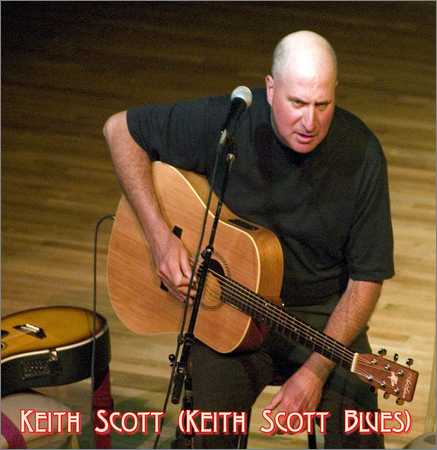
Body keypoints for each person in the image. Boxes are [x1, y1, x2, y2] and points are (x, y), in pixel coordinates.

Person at [103, 30, 394, 449]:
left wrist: (315, 372)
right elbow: (119, 130)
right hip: (227, 308)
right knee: (209, 429)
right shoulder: (231, 122)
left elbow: (366, 279)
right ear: (271, 90)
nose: (310, 122)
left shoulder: (362, 152)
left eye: (322, 105)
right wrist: (160, 238)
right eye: (297, 103)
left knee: (357, 427)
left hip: (319, 318)